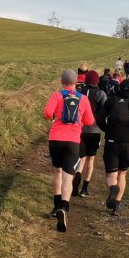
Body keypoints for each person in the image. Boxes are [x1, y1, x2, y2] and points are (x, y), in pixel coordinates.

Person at [43, 69, 95, 232]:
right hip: (73, 141)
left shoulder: (57, 95)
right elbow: (90, 120)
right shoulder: (83, 99)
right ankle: (64, 208)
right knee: (68, 175)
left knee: (57, 172)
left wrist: (53, 118)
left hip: (55, 139)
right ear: (76, 82)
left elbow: (47, 113)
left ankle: (55, 206)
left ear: (61, 81)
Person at [95, 78, 129, 216]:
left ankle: (113, 188)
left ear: (118, 89)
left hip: (112, 141)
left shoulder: (111, 101)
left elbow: (99, 119)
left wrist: (106, 129)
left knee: (111, 173)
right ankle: (116, 205)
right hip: (128, 142)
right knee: (122, 173)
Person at [73, 70, 107, 197]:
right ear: (97, 81)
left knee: (81, 158)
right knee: (90, 160)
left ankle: (77, 177)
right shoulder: (100, 94)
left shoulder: (79, 92)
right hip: (94, 130)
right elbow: (105, 112)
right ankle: (85, 188)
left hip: (80, 130)